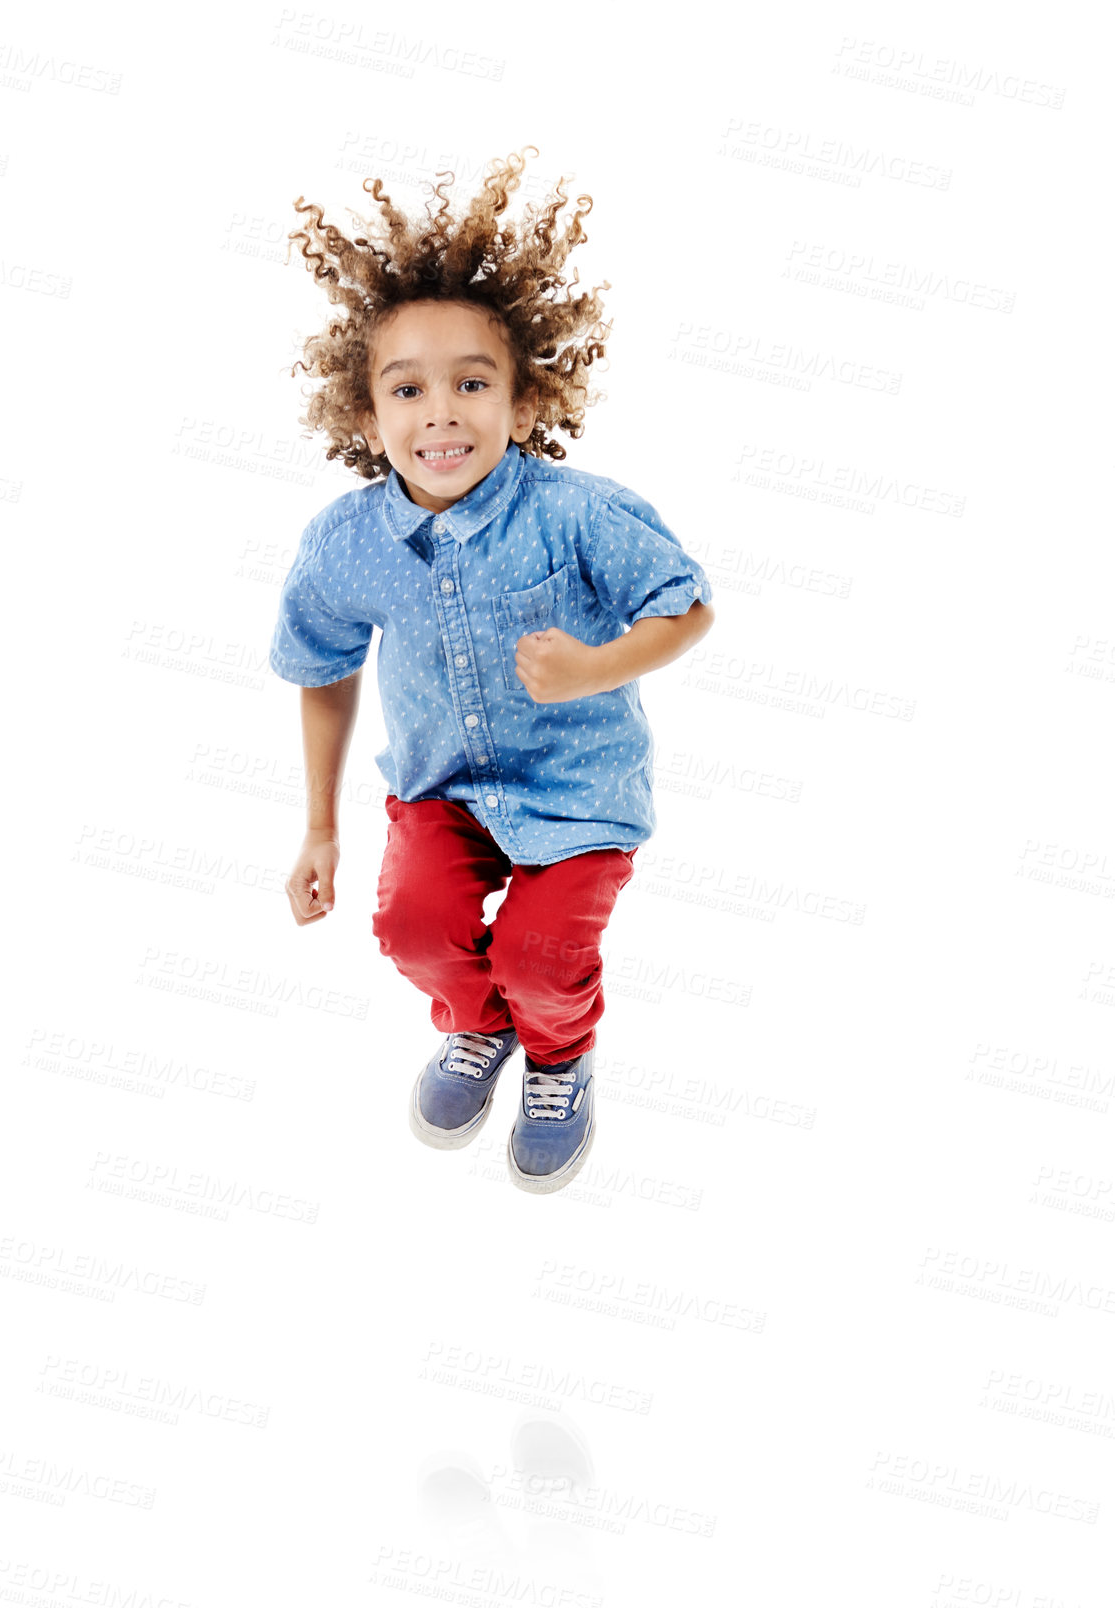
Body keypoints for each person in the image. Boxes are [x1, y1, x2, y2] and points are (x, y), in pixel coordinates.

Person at [271, 146, 716, 1194]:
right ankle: (478, 1030)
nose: (442, 414)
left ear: (521, 403)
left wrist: (599, 665)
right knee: (412, 926)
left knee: (539, 959)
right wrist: (322, 825)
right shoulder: (344, 543)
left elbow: (688, 604)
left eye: (473, 384)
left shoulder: (580, 511)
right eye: (408, 389)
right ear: (365, 412)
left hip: (577, 792)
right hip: (441, 790)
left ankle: (558, 1053)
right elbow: (323, 669)